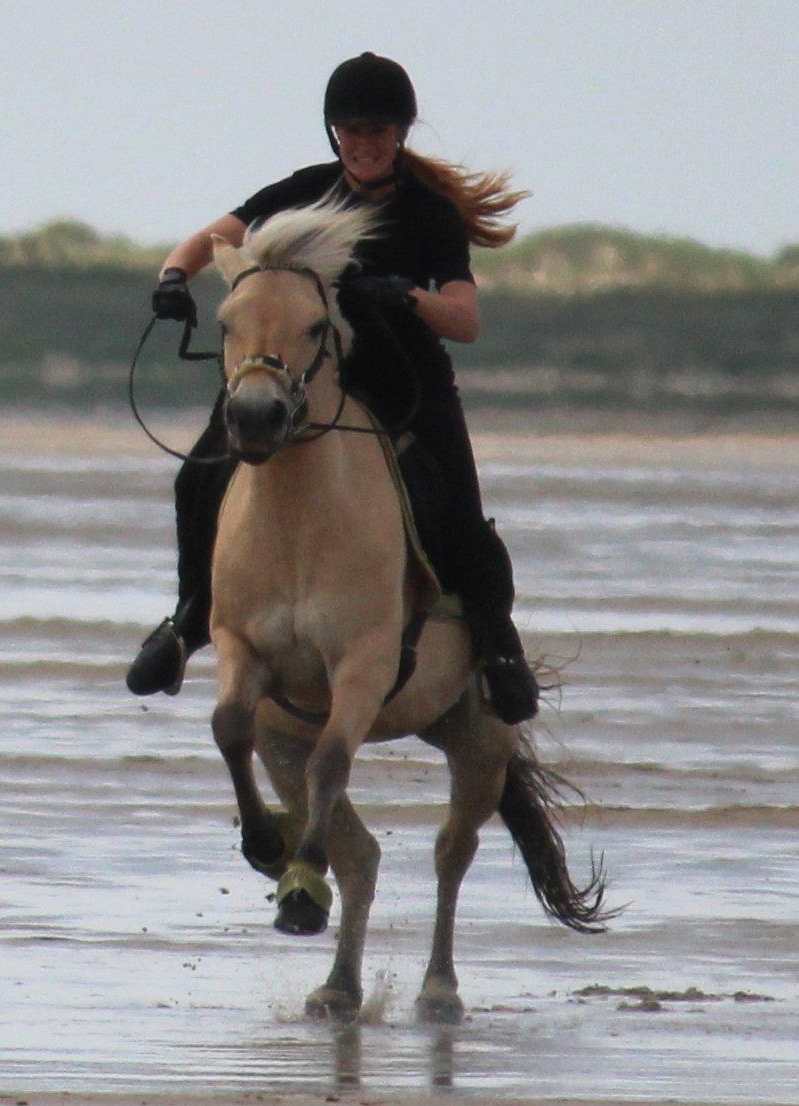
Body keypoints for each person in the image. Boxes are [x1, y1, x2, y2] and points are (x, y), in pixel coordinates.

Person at [126, 52, 539, 725]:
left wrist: (407, 296)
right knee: (195, 479)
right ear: (332, 134)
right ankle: (186, 622)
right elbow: (211, 239)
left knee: (460, 509)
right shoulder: (303, 189)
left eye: (377, 132)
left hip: (403, 381)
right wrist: (173, 278)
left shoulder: (427, 214)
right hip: (300, 374)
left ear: (399, 135)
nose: (364, 144)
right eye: (350, 132)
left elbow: (465, 319)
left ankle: (497, 649)